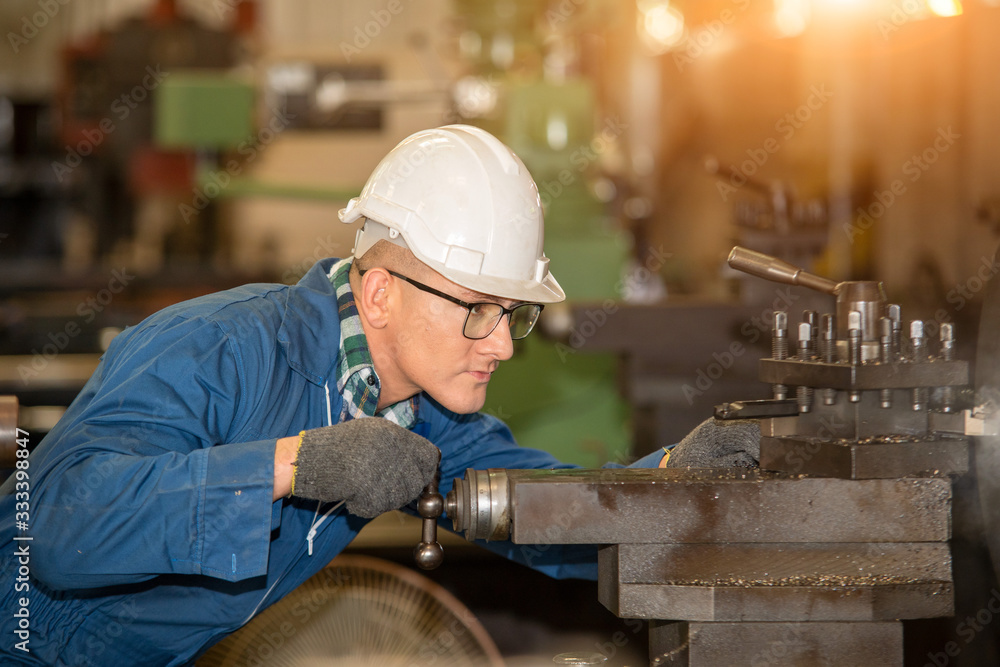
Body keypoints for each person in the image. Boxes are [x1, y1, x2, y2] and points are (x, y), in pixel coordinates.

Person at [0, 125, 756, 666]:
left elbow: (548, 509)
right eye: (478, 309)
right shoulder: (220, 349)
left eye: (511, 313)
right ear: (383, 292)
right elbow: (60, 528)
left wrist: (677, 489)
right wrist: (294, 464)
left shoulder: (416, 417)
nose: (500, 343)